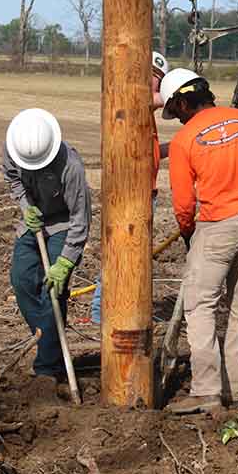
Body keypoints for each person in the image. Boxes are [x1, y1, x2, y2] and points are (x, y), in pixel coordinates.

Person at [160, 68, 238, 414]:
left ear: (183, 103)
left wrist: (187, 232)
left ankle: (207, 390)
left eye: (175, 112)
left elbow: (184, 204)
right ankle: (237, 389)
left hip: (216, 227)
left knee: (200, 307)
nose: (178, 120)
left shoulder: (184, 141)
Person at [2, 108, 92, 397]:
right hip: (34, 220)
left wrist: (65, 262)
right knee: (21, 280)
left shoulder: (71, 167)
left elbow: (80, 218)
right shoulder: (14, 149)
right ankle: (48, 340)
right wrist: (26, 207)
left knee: (53, 291)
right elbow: (13, 179)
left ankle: (47, 368)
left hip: (64, 223)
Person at [89, 51, 170, 324]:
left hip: (144, 193)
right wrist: (185, 90)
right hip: (131, 194)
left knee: (133, 255)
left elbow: (147, 151)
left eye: (158, 78)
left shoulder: (143, 113)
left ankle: (124, 309)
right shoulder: (133, 98)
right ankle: (101, 312)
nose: (153, 81)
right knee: (122, 253)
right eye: (153, 75)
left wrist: (176, 147)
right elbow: (157, 98)